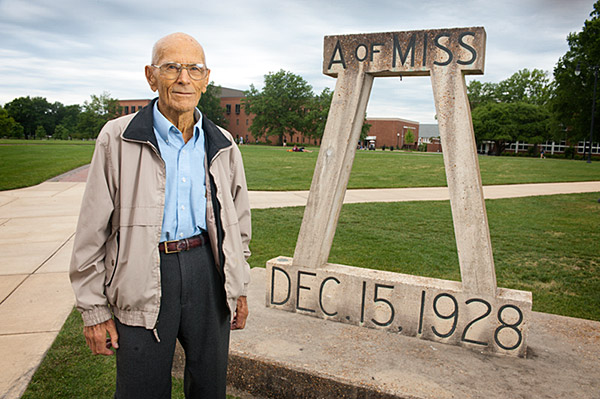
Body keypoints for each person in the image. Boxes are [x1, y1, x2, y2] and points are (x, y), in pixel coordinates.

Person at [69, 32, 251, 399]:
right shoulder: (118, 138)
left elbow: (239, 222)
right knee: (141, 390)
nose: (184, 78)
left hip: (207, 272)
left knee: (210, 388)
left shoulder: (223, 143)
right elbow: (91, 230)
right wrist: (93, 310)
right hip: (141, 275)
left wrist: (239, 284)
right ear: (151, 76)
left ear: (206, 78)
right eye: (172, 67)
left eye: (194, 69)